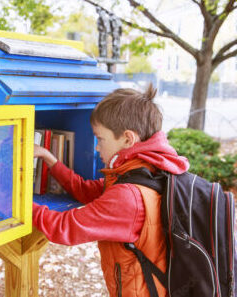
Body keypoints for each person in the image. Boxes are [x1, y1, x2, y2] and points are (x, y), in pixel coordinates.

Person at [32, 83, 189, 297]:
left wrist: (14, 201)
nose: (97, 147)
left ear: (127, 138)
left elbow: (64, 227)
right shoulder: (148, 168)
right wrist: (49, 158)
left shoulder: (129, 196)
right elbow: (86, 191)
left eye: (100, 138)